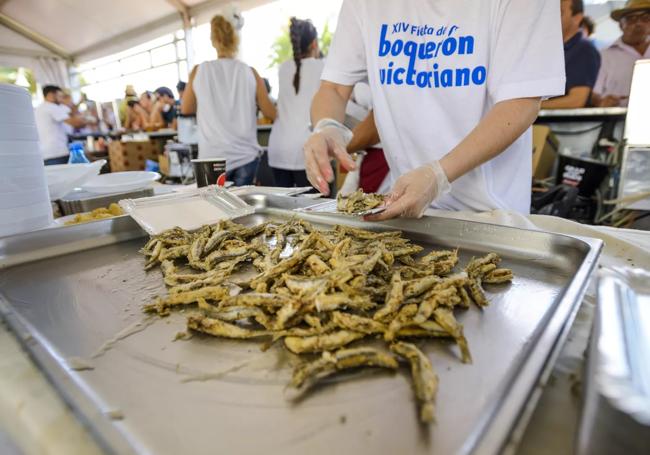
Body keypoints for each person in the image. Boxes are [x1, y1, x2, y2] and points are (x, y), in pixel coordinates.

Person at [303, 0, 565, 219]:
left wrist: (438, 174)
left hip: (491, 214)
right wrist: (327, 126)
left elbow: (520, 103)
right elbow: (334, 88)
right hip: (406, 205)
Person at [181, 13, 277, 186]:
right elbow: (270, 111)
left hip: (210, 158)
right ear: (235, 39)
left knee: (213, 210)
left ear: (213, 40)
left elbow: (186, 108)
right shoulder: (250, 72)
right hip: (245, 157)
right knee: (243, 210)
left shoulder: (199, 71)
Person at [268, 17, 324, 188]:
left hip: (278, 149)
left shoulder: (283, 68)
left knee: (283, 212)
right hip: (305, 151)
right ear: (314, 43)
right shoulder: (321, 67)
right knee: (313, 211)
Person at [541, 0, 600, 109]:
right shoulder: (550, 49)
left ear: (577, 17)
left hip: (565, 124)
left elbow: (576, 100)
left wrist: (528, 108)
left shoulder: (583, 50)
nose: (551, 18)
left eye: (559, 13)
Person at [592, 0, 650, 107]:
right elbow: (594, 94)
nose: (639, 23)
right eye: (631, 19)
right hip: (618, 119)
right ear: (621, 25)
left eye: (646, 18)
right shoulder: (604, 56)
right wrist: (602, 102)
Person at [35, 85, 88, 165]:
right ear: (51, 95)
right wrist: (87, 121)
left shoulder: (41, 108)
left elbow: (70, 113)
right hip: (57, 152)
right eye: (60, 96)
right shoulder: (51, 107)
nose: (62, 99)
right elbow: (77, 123)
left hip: (47, 153)